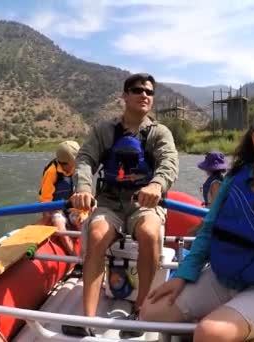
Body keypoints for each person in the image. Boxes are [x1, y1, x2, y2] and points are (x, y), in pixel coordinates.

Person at [140, 103, 254, 342]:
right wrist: (183, 275)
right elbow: (209, 231)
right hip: (223, 278)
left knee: (210, 333)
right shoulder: (235, 180)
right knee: (151, 312)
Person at [67, 73, 179, 337]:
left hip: (145, 204)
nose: (144, 95)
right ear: (124, 96)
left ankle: (140, 312)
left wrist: (157, 185)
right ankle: (88, 318)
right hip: (109, 203)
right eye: (138, 90)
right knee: (95, 234)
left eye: (149, 92)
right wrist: (83, 188)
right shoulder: (103, 131)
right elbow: (84, 159)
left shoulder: (159, 133)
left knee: (150, 233)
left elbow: (168, 163)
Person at [39, 140, 87, 256]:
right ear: (65, 163)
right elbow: (46, 200)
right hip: (56, 209)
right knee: (59, 223)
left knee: (83, 221)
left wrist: (82, 212)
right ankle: (74, 256)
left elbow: (81, 191)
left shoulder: (76, 169)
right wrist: (47, 218)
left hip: (71, 206)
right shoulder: (51, 172)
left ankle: (88, 252)